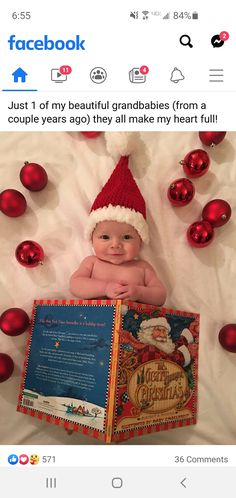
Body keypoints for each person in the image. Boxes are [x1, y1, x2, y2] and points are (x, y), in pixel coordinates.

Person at [70, 156, 166, 306]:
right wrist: (105, 288)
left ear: (140, 239)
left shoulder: (142, 267)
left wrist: (140, 292)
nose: (116, 244)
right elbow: (75, 285)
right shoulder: (92, 263)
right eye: (105, 237)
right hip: (93, 323)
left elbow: (160, 295)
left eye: (127, 237)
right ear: (92, 238)